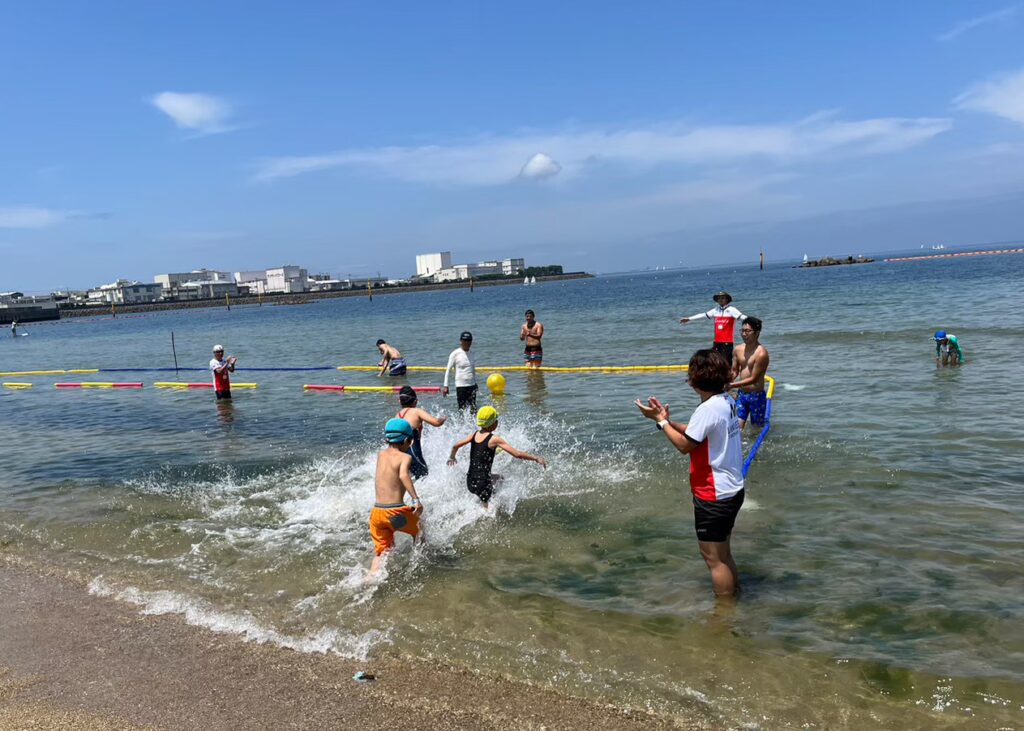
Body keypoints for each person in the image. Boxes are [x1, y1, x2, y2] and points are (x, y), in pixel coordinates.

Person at [635, 349, 744, 597]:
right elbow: (696, 432)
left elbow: (685, 446)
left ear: (695, 379)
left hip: (714, 494)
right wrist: (665, 419)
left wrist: (660, 423)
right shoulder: (725, 401)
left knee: (714, 559)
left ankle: (725, 614)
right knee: (723, 554)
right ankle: (736, 597)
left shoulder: (708, 408)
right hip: (731, 490)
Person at [447, 406, 546, 505]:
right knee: (487, 512)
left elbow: (455, 446)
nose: (497, 422)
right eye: (496, 420)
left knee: (499, 478)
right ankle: (488, 503)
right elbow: (517, 454)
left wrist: (452, 457)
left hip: (470, 481)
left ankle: (489, 497)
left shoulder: (474, 435)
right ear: (492, 424)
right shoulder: (494, 439)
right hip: (483, 483)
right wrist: (536, 458)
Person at [369, 418, 424, 575]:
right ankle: (420, 563)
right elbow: (403, 475)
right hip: (394, 514)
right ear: (407, 440)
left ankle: (369, 579)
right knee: (420, 530)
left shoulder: (380, 454)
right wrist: (416, 500)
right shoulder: (405, 457)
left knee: (381, 553)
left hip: (377, 514)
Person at [395, 385, 447, 480]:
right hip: (413, 453)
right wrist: (443, 418)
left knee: (409, 479)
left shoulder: (397, 416)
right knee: (424, 477)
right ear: (415, 401)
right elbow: (436, 423)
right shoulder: (416, 411)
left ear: (400, 401)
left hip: (398, 454)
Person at [680, 291, 747, 363]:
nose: (720, 299)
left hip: (727, 342)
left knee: (726, 362)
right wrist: (689, 319)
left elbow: (743, 317)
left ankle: (728, 374)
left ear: (727, 299)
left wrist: (754, 321)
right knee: (716, 361)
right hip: (716, 341)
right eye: (719, 298)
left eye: (723, 298)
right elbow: (703, 315)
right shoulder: (715, 310)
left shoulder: (732, 310)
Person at [729, 316, 770, 429]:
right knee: (736, 427)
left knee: (757, 429)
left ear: (757, 333)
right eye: (742, 331)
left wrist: (731, 385)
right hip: (742, 394)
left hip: (756, 395)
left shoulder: (762, 353)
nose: (743, 334)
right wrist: (726, 381)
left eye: (747, 331)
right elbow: (734, 371)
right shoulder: (737, 349)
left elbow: (754, 379)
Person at [442, 331, 478, 410]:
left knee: (473, 409)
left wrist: (475, 383)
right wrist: (445, 385)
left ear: (471, 342)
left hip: (472, 385)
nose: (466, 342)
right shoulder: (455, 354)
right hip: (461, 386)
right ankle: (461, 422)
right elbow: (448, 370)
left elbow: (472, 370)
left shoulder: (472, 353)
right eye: (464, 340)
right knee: (462, 409)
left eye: (469, 340)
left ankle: (473, 422)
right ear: (460, 341)